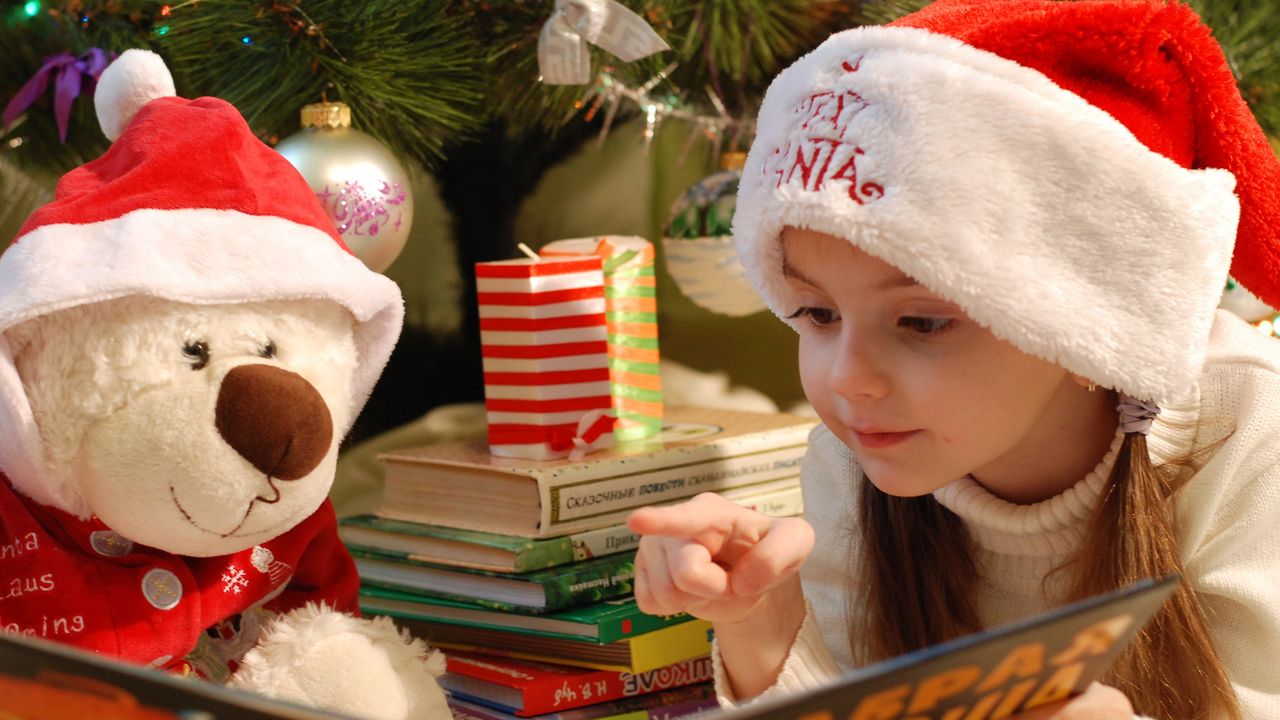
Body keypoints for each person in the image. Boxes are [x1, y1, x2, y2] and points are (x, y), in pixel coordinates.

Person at [626, 1, 1280, 718]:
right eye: (817, 313)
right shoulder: (857, 462)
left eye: (923, 321)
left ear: (1091, 324)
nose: (846, 379)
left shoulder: (1249, 428)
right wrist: (763, 628)